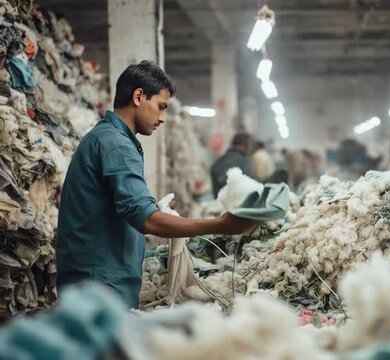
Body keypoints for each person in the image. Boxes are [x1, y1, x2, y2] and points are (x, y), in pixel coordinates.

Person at [56, 61, 255, 308]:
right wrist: (221, 224)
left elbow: (117, 206)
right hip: (101, 286)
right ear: (138, 96)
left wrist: (155, 208)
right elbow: (146, 220)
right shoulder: (116, 145)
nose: (162, 118)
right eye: (161, 107)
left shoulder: (105, 137)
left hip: (94, 280)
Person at [210, 133, 255, 198]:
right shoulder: (241, 161)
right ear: (246, 144)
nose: (252, 148)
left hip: (222, 205)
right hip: (239, 205)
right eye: (251, 145)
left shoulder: (220, 161)